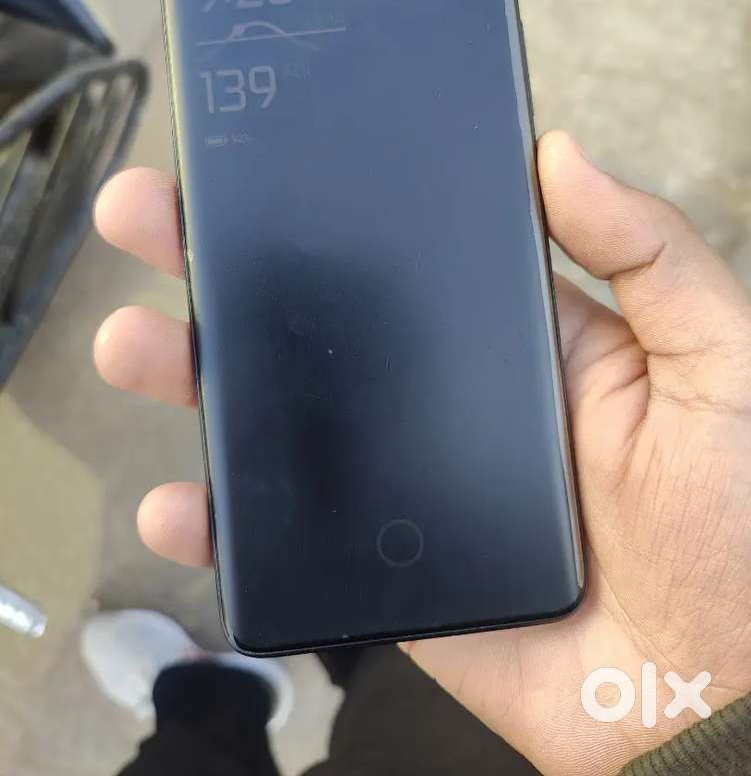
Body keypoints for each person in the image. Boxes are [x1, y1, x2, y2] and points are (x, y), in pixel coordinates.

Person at [88, 131, 751, 775]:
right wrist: (691, 720)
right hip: (523, 706)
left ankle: (206, 699)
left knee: (328, 604)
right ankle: (226, 694)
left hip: (430, 732)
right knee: (360, 599)